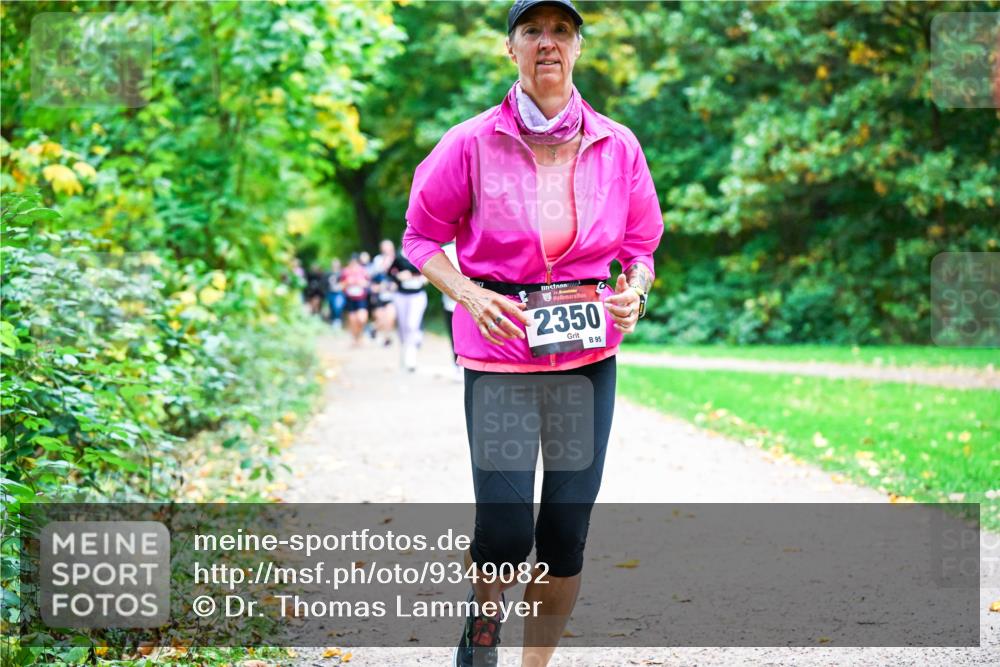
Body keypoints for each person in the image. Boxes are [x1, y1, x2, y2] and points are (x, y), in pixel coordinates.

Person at [402, 2, 663, 665]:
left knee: (565, 535)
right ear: (510, 48)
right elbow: (421, 237)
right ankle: (483, 629)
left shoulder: (617, 144)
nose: (548, 42)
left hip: (585, 356)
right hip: (500, 356)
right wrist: (468, 292)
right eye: (533, 31)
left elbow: (641, 248)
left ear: (578, 47)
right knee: (505, 530)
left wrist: (634, 291)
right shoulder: (470, 142)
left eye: (561, 31)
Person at [387, 242, 428, 372]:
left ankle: (411, 358)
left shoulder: (423, 253)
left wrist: (421, 278)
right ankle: (404, 353)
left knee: (412, 325)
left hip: (417, 296)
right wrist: (398, 276)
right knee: (403, 327)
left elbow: (430, 272)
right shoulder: (399, 256)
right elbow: (389, 273)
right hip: (401, 296)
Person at [369, 240, 399, 347]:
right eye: (385, 248)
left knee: (390, 317)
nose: (387, 250)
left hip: (392, 294)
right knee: (381, 318)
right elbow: (374, 276)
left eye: (389, 247)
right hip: (379, 294)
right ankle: (374, 328)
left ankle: (387, 338)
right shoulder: (378, 259)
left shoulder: (397, 259)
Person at [339, 254, 370, 347]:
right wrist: (347, 283)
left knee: (362, 319)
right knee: (353, 320)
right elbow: (341, 286)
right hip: (350, 299)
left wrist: (361, 283)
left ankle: (360, 335)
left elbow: (368, 284)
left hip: (361, 298)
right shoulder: (345, 271)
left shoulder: (363, 271)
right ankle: (355, 338)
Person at [326, 257, 346, 329]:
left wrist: (340, 286)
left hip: (339, 293)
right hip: (331, 292)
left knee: (338, 307)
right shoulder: (328, 273)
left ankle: (338, 320)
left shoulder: (342, 273)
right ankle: (332, 320)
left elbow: (345, 282)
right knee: (331, 307)